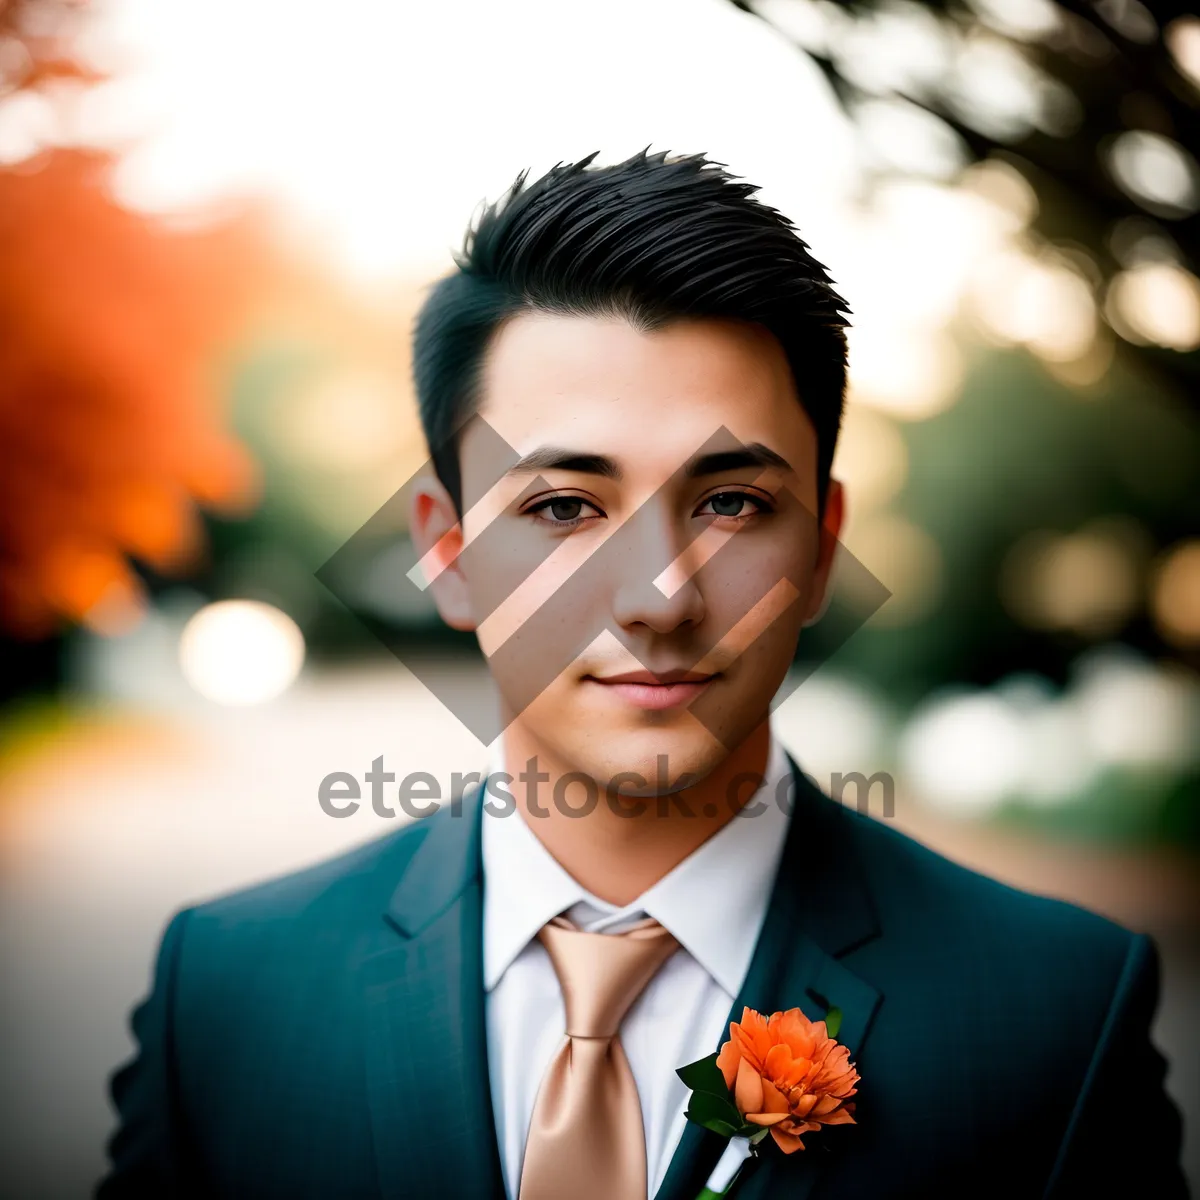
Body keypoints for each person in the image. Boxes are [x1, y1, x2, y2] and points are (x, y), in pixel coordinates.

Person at [97, 150, 1188, 1199]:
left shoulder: (1059, 1015)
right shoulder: (228, 992)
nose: (659, 596)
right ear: (446, 552)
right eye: (563, 507)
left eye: (732, 503)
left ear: (820, 548)